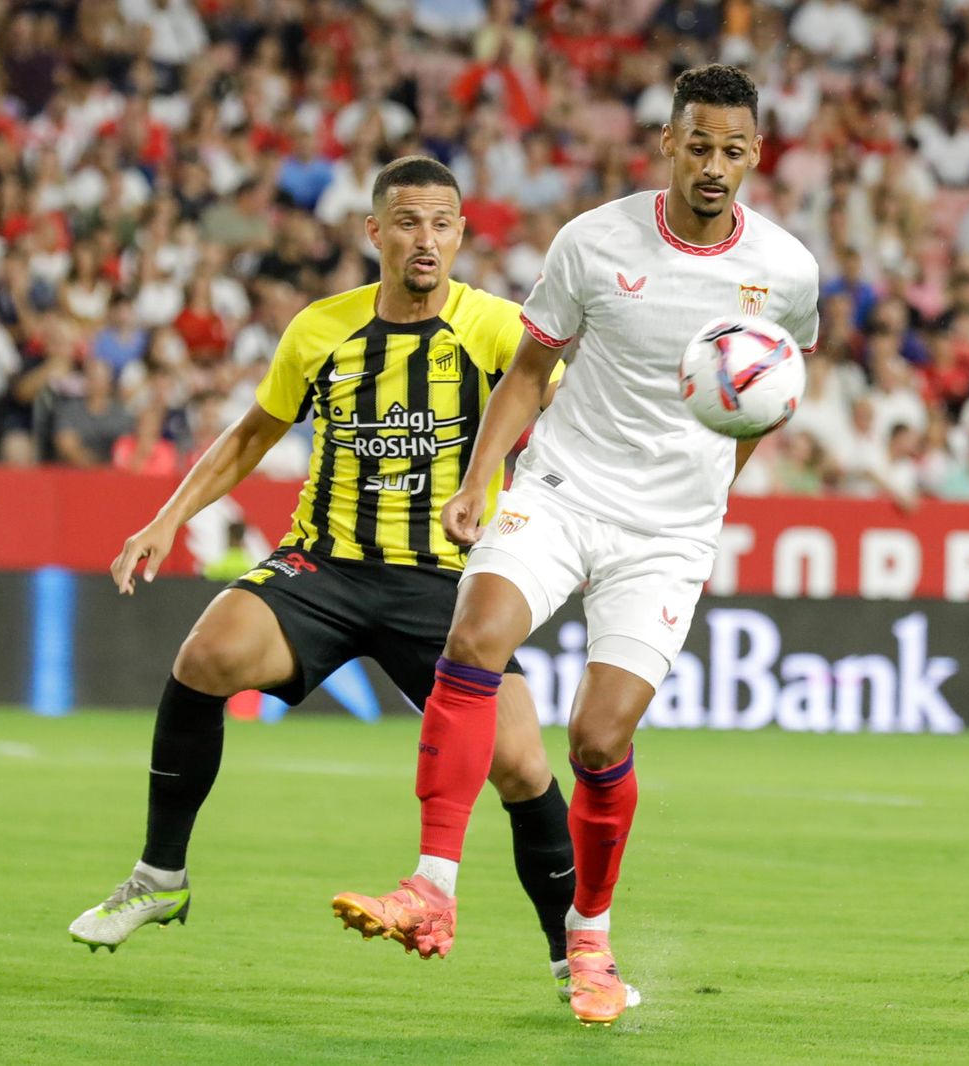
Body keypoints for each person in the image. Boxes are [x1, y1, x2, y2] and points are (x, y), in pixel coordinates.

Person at [331, 65, 820, 1027]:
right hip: (563, 488)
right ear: (668, 142)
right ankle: (432, 884)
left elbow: (773, 391)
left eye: (732, 150)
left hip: (668, 531)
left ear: (756, 155)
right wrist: (479, 479)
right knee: (474, 638)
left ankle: (589, 940)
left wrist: (716, 483)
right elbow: (529, 369)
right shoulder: (593, 240)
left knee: (599, 738)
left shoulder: (788, 271)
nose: (713, 165)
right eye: (698, 145)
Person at [68, 158, 583, 997]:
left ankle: (574, 960)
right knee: (205, 656)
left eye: (442, 224)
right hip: (326, 564)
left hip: (443, 582)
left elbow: (568, 410)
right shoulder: (321, 329)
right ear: (375, 232)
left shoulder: (495, 327)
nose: (426, 239)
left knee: (524, 767)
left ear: (461, 234)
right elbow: (251, 434)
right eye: (408, 223)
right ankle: (160, 878)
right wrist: (167, 518)